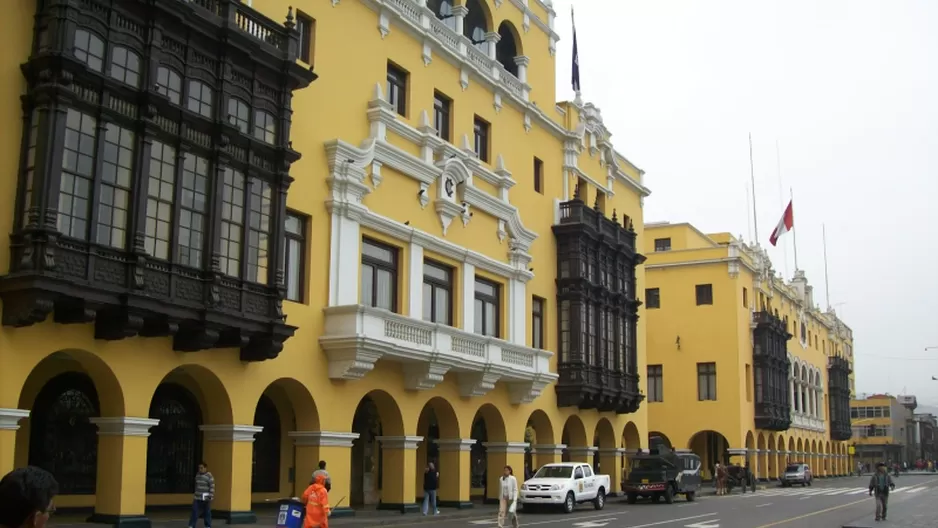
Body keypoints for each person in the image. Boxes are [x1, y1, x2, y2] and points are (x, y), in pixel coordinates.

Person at [190, 462, 215, 528]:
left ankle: (207, 525)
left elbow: (212, 486)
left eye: (201, 468)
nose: (200, 469)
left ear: (205, 468)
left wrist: (211, 496)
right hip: (197, 497)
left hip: (206, 497)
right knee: (194, 511)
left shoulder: (209, 476)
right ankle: (191, 525)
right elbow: (196, 485)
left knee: (207, 512)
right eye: (199, 468)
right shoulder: (197, 475)